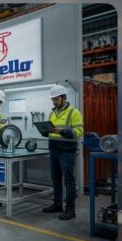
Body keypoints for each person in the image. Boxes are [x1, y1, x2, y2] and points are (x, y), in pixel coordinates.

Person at [41, 85, 84, 220]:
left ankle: (70, 210)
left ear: (63, 97)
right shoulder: (52, 112)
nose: (54, 101)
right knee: (56, 179)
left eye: (56, 99)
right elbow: (52, 132)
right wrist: (45, 131)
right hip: (53, 149)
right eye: (52, 99)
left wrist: (62, 131)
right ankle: (57, 204)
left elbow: (79, 131)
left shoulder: (74, 112)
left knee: (69, 181)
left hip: (66, 150)